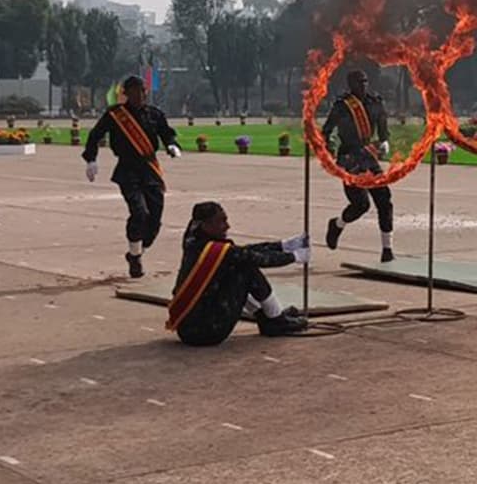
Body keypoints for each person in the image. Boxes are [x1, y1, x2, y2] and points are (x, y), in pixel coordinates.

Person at [166, 202, 310, 345]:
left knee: (238, 265)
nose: (227, 226)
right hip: (208, 332)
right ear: (206, 225)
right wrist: (294, 257)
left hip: (186, 329)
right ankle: (277, 320)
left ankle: (268, 318)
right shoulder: (217, 251)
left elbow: (241, 251)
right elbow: (256, 258)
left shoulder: (193, 239)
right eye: (221, 221)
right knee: (246, 268)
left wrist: (283, 246)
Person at [83, 76, 180, 278]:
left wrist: (171, 145)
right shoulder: (116, 115)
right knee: (139, 212)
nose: (140, 95)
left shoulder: (155, 114)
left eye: (143, 91)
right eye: (135, 92)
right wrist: (91, 159)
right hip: (127, 169)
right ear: (126, 94)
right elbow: (95, 135)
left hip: (150, 168)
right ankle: (135, 259)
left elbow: (166, 133)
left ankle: (136, 252)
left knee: (155, 220)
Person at [323, 70, 395, 262]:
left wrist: (385, 140)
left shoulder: (375, 102)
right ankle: (337, 225)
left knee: (384, 200)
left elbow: (382, 125)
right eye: (359, 82)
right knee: (360, 205)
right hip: (349, 157)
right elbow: (327, 129)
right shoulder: (342, 106)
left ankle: (387, 250)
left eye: (365, 81)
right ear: (351, 84)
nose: (363, 85)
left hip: (368, 155)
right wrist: (327, 146)